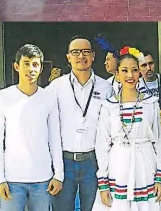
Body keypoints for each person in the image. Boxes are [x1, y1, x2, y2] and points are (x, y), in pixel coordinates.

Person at [0, 43, 63, 211]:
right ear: (16, 66)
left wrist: (58, 174)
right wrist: (0, 179)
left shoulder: (49, 98)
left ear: (40, 68)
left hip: (43, 180)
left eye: (35, 64)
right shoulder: (2, 98)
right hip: (12, 180)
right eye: (26, 63)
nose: (31, 69)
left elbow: (54, 138)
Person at [94, 47, 161, 210]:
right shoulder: (108, 105)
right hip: (118, 167)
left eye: (134, 70)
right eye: (124, 70)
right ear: (117, 74)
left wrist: (159, 176)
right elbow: (102, 145)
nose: (130, 75)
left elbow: (158, 142)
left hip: (145, 167)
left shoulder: (151, 103)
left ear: (139, 73)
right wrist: (103, 182)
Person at [48, 36, 112, 211]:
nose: (80, 56)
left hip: (93, 162)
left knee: (93, 208)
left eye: (85, 52)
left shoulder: (105, 88)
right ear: (68, 57)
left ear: (93, 55)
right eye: (75, 52)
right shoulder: (56, 87)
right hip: (64, 161)